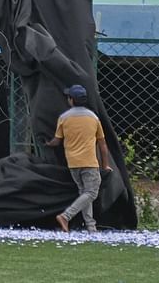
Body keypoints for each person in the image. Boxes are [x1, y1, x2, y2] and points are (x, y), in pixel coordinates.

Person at [46, 83, 112, 233]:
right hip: (89, 161)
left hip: (73, 163)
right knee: (92, 193)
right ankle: (65, 216)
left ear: (71, 100)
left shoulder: (64, 118)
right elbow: (102, 144)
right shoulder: (93, 118)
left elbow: (57, 140)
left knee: (84, 193)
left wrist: (48, 143)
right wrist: (106, 164)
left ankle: (91, 226)